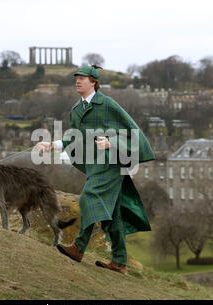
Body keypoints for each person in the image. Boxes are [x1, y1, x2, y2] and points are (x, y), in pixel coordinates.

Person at [36, 65, 155, 275]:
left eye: (82, 78)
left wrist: (112, 143)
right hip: (94, 165)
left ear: (93, 82)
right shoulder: (76, 109)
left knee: (88, 197)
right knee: (112, 214)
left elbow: (132, 131)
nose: (77, 81)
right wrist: (51, 145)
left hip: (110, 164)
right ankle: (119, 262)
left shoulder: (107, 104)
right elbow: (73, 138)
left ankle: (79, 248)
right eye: (76, 78)